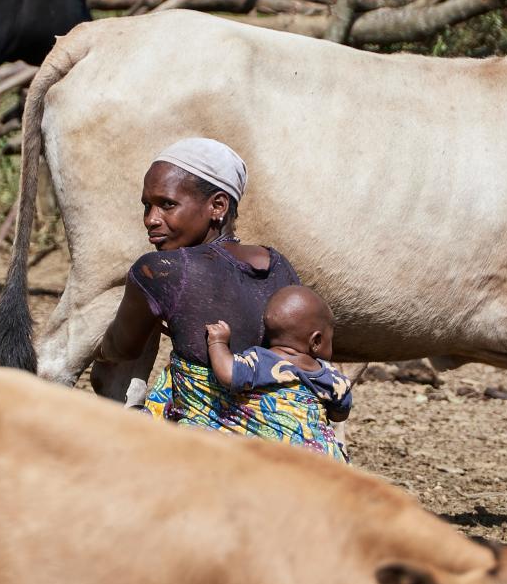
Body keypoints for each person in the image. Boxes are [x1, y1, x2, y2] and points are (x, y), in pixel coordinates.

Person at [94, 138, 345, 462]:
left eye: (167, 205)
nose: (150, 219)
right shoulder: (278, 266)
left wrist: (100, 348)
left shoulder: (162, 270)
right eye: (147, 206)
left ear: (218, 206)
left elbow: (123, 347)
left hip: (213, 457)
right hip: (302, 456)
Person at [206, 286, 352, 459]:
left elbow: (228, 374)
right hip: (317, 458)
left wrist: (218, 342)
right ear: (317, 341)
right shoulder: (331, 376)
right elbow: (340, 413)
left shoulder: (260, 359)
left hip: (268, 452)